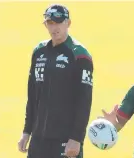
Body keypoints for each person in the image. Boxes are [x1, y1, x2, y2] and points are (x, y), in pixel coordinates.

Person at [18, 4, 93, 158]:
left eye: (59, 22)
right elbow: (32, 96)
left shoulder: (79, 55)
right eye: (50, 23)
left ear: (68, 23)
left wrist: (77, 138)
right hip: (38, 140)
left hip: (65, 140)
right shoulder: (39, 52)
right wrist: (26, 131)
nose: (54, 27)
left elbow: (84, 100)